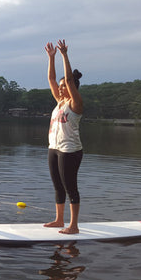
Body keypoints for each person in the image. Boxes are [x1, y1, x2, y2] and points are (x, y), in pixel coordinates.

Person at [43, 39, 84, 234]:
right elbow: (52, 80)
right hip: (54, 148)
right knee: (58, 186)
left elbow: (67, 80)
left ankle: (73, 225)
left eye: (64, 86)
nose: (60, 88)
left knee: (70, 187)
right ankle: (59, 220)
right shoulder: (59, 102)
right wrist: (50, 58)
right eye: (60, 87)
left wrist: (64, 55)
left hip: (70, 150)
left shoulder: (75, 105)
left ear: (72, 87)